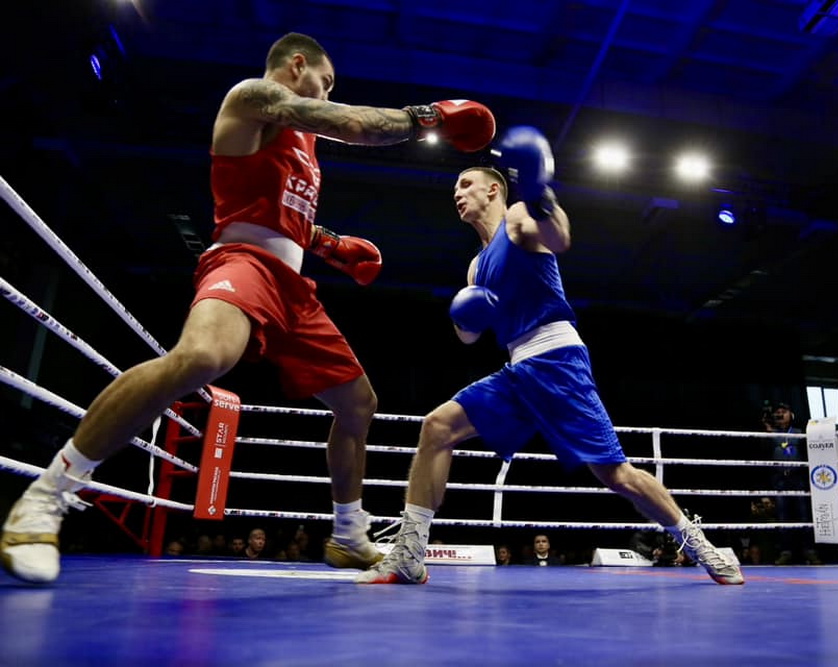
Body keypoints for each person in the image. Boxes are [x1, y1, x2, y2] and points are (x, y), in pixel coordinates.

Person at [0, 32, 496, 584]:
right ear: (298, 66)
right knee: (203, 358)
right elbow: (355, 125)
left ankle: (348, 535)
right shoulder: (253, 97)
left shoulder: (302, 148)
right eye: (326, 82)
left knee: (358, 404)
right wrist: (428, 117)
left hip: (292, 287)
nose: (328, 93)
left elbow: (283, 211)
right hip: (242, 262)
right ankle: (45, 497)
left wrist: (330, 245)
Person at [356, 127, 743, 586]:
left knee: (616, 474)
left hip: (557, 359)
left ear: (493, 190)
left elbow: (559, 239)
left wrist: (542, 196)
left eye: (465, 184)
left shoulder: (519, 217)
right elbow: (468, 337)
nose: (457, 194)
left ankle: (699, 544)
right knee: (437, 427)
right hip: (517, 369)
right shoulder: (476, 266)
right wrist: (465, 313)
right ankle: (409, 555)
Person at [761, 401, 821, 565]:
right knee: (783, 517)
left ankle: (810, 551)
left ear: (791, 414)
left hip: (799, 478)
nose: (780, 414)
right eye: (777, 412)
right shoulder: (769, 435)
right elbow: (763, 459)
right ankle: (785, 552)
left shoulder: (800, 432)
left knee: (804, 516)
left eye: (784, 411)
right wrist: (767, 429)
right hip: (779, 480)